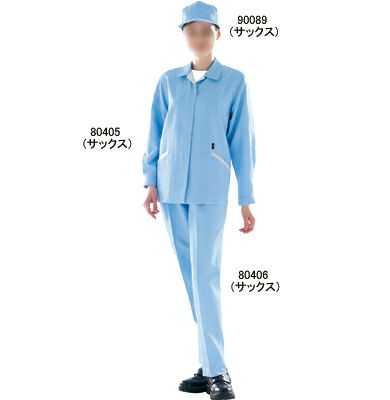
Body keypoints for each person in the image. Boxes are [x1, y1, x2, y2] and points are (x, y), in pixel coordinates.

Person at [142, 2, 256, 399]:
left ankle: (219, 374)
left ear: (217, 34)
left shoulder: (234, 82)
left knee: (205, 277)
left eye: (206, 30)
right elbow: (155, 132)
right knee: (192, 279)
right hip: (171, 189)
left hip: (210, 189)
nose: (199, 38)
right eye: (191, 31)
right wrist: (150, 181)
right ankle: (210, 364)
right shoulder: (168, 81)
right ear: (183, 35)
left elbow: (243, 142)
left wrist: (246, 197)